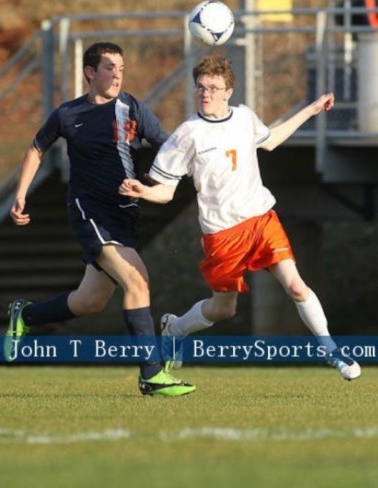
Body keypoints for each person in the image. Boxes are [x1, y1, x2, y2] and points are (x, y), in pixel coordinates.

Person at [119, 55, 361, 382]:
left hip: (261, 218)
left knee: (296, 286)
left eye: (214, 88)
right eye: (201, 88)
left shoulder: (244, 117)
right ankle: (175, 329)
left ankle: (333, 353)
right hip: (222, 233)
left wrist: (312, 109)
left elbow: (272, 140)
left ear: (228, 91)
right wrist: (143, 191)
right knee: (224, 309)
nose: (206, 94)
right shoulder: (187, 134)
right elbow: (166, 192)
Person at [5, 41, 195, 397]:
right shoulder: (67, 115)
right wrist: (20, 194)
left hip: (124, 216)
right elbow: (36, 148)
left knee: (89, 302)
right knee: (137, 280)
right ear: (90, 73)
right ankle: (151, 375)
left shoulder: (132, 108)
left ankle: (24, 316)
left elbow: (168, 148)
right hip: (88, 211)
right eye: (109, 68)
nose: (117, 75)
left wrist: (195, 166)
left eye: (121, 69)